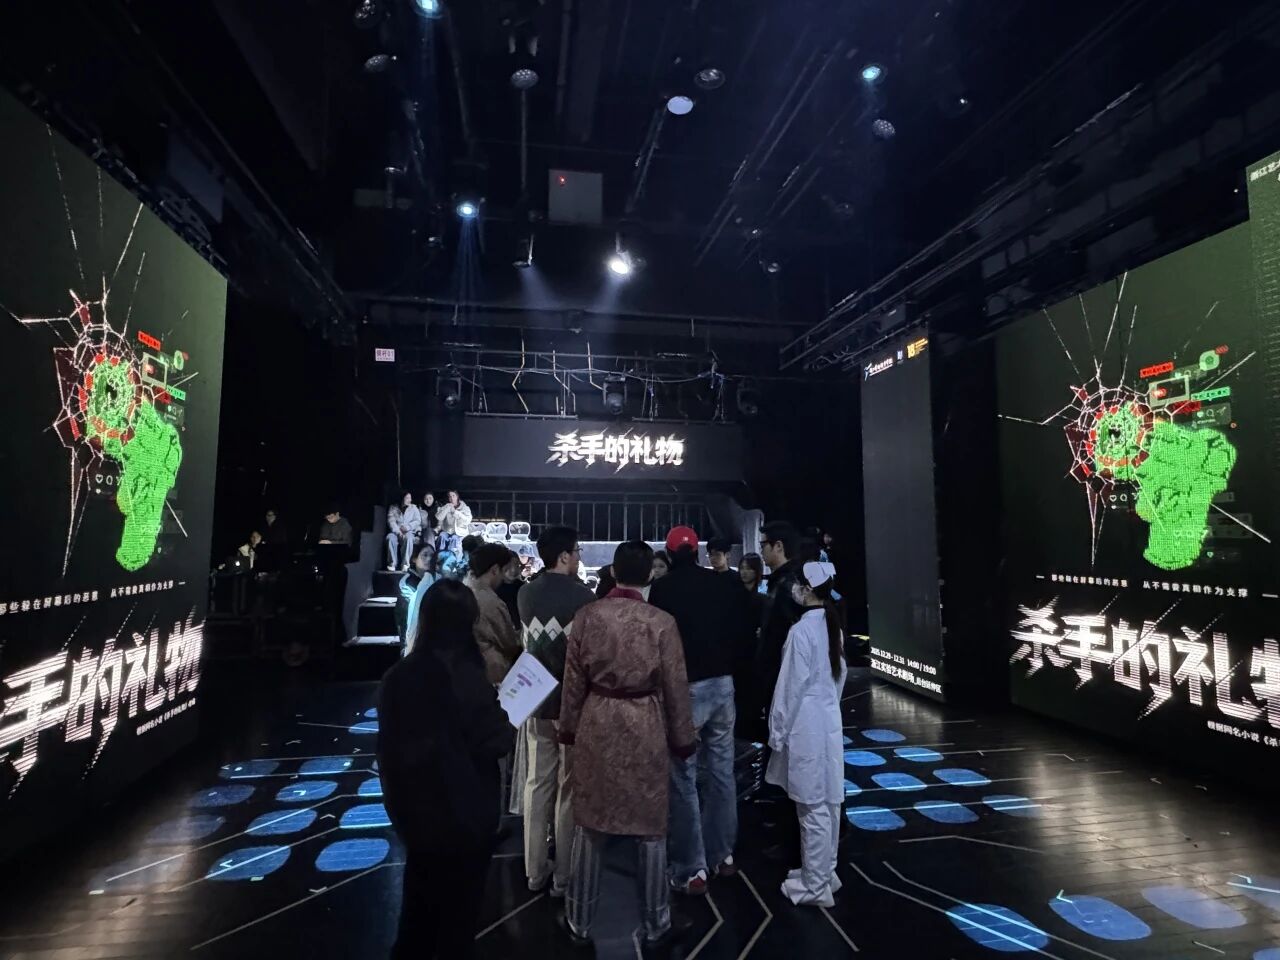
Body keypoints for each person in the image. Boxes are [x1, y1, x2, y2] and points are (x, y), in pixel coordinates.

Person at [559, 541, 697, 949]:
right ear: (650, 573)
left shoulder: (587, 616)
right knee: (650, 825)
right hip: (644, 722)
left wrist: (568, 728)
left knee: (591, 821)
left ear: (614, 571)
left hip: (597, 719)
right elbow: (676, 685)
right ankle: (657, 923)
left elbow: (572, 681)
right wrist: (683, 738)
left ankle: (578, 921)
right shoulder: (662, 622)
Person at [378, 579, 515, 958]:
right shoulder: (468, 677)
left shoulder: (398, 676)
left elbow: (387, 751)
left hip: (415, 816)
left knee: (417, 919)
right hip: (465, 819)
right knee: (457, 923)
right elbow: (496, 741)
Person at [649, 526, 750, 894]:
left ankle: (691, 869)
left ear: (670, 553)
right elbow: (740, 632)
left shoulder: (662, 589)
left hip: (684, 689)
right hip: (722, 684)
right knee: (722, 771)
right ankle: (722, 854)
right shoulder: (722, 584)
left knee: (683, 776)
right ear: (697, 551)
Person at [518, 525, 595, 897]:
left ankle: (534, 871)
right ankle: (564, 876)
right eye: (577, 551)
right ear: (564, 556)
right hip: (570, 704)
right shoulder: (584, 597)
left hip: (534, 700)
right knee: (568, 787)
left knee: (536, 784)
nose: (579, 557)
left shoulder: (525, 593)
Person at [766, 561, 847, 908]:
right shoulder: (832, 626)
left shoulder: (801, 631)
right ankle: (823, 872)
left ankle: (815, 887)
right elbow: (839, 678)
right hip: (828, 723)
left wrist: (776, 730)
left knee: (811, 807)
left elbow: (789, 687)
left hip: (805, 726)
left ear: (808, 589)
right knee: (828, 803)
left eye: (799, 584)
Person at [464, 541, 522, 685]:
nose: (503, 578)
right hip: (488, 674)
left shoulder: (463, 591)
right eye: (503, 571)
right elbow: (509, 644)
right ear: (495, 570)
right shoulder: (490, 602)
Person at [397, 543, 439, 655]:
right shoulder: (406, 583)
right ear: (414, 559)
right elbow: (410, 615)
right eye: (424, 555)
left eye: (432, 556)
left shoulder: (435, 578)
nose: (429, 559)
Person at [387, 492, 423, 572]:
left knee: (408, 538)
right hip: (396, 532)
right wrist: (398, 531)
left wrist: (407, 527)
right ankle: (392, 563)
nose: (409, 500)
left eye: (410, 498)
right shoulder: (393, 508)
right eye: (407, 498)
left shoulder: (414, 508)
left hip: (408, 531)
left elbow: (417, 521)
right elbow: (391, 521)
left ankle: (405, 564)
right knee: (390, 537)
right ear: (402, 498)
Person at [436, 489, 473, 557]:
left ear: (457, 497)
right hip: (448, 531)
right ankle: (440, 557)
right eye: (450, 496)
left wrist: (455, 512)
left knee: (454, 538)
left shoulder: (465, 508)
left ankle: (453, 558)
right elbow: (439, 517)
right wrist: (447, 508)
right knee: (442, 536)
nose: (452, 498)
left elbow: (468, 520)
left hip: (460, 532)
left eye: (453, 496)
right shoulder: (446, 506)